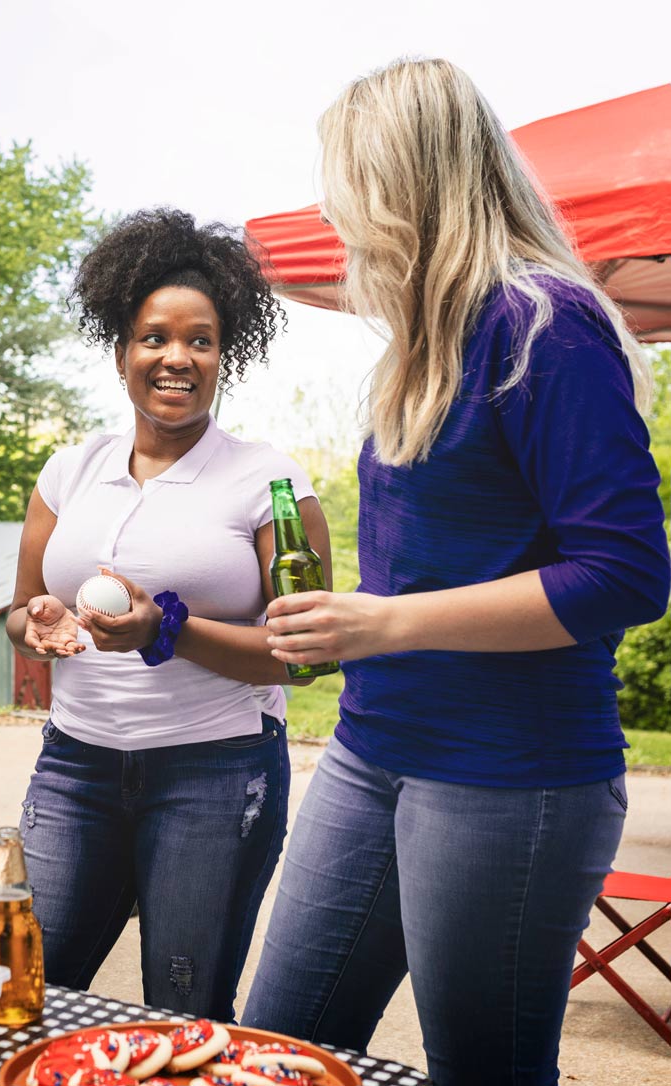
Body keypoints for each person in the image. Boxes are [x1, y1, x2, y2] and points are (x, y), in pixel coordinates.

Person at [241, 59, 670, 1084]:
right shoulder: (428, 337)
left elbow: (626, 576)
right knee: (277, 1048)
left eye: (349, 183)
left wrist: (384, 624)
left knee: (480, 1070)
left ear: (406, 182)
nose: (339, 211)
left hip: (509, 772)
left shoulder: (545, 325)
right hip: (372, 747)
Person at [6, 208, 331, 1019]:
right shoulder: (69, 470)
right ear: (122, 353)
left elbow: (304, 653)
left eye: (201, 339)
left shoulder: (268, 482)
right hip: (75, 768)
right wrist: (37, 624)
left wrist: (167, 630)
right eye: (154, 337)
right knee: (27, 996)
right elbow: (17, 613)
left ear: (225, 356)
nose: (176, 357)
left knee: (185, 1011)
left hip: (216, 779)